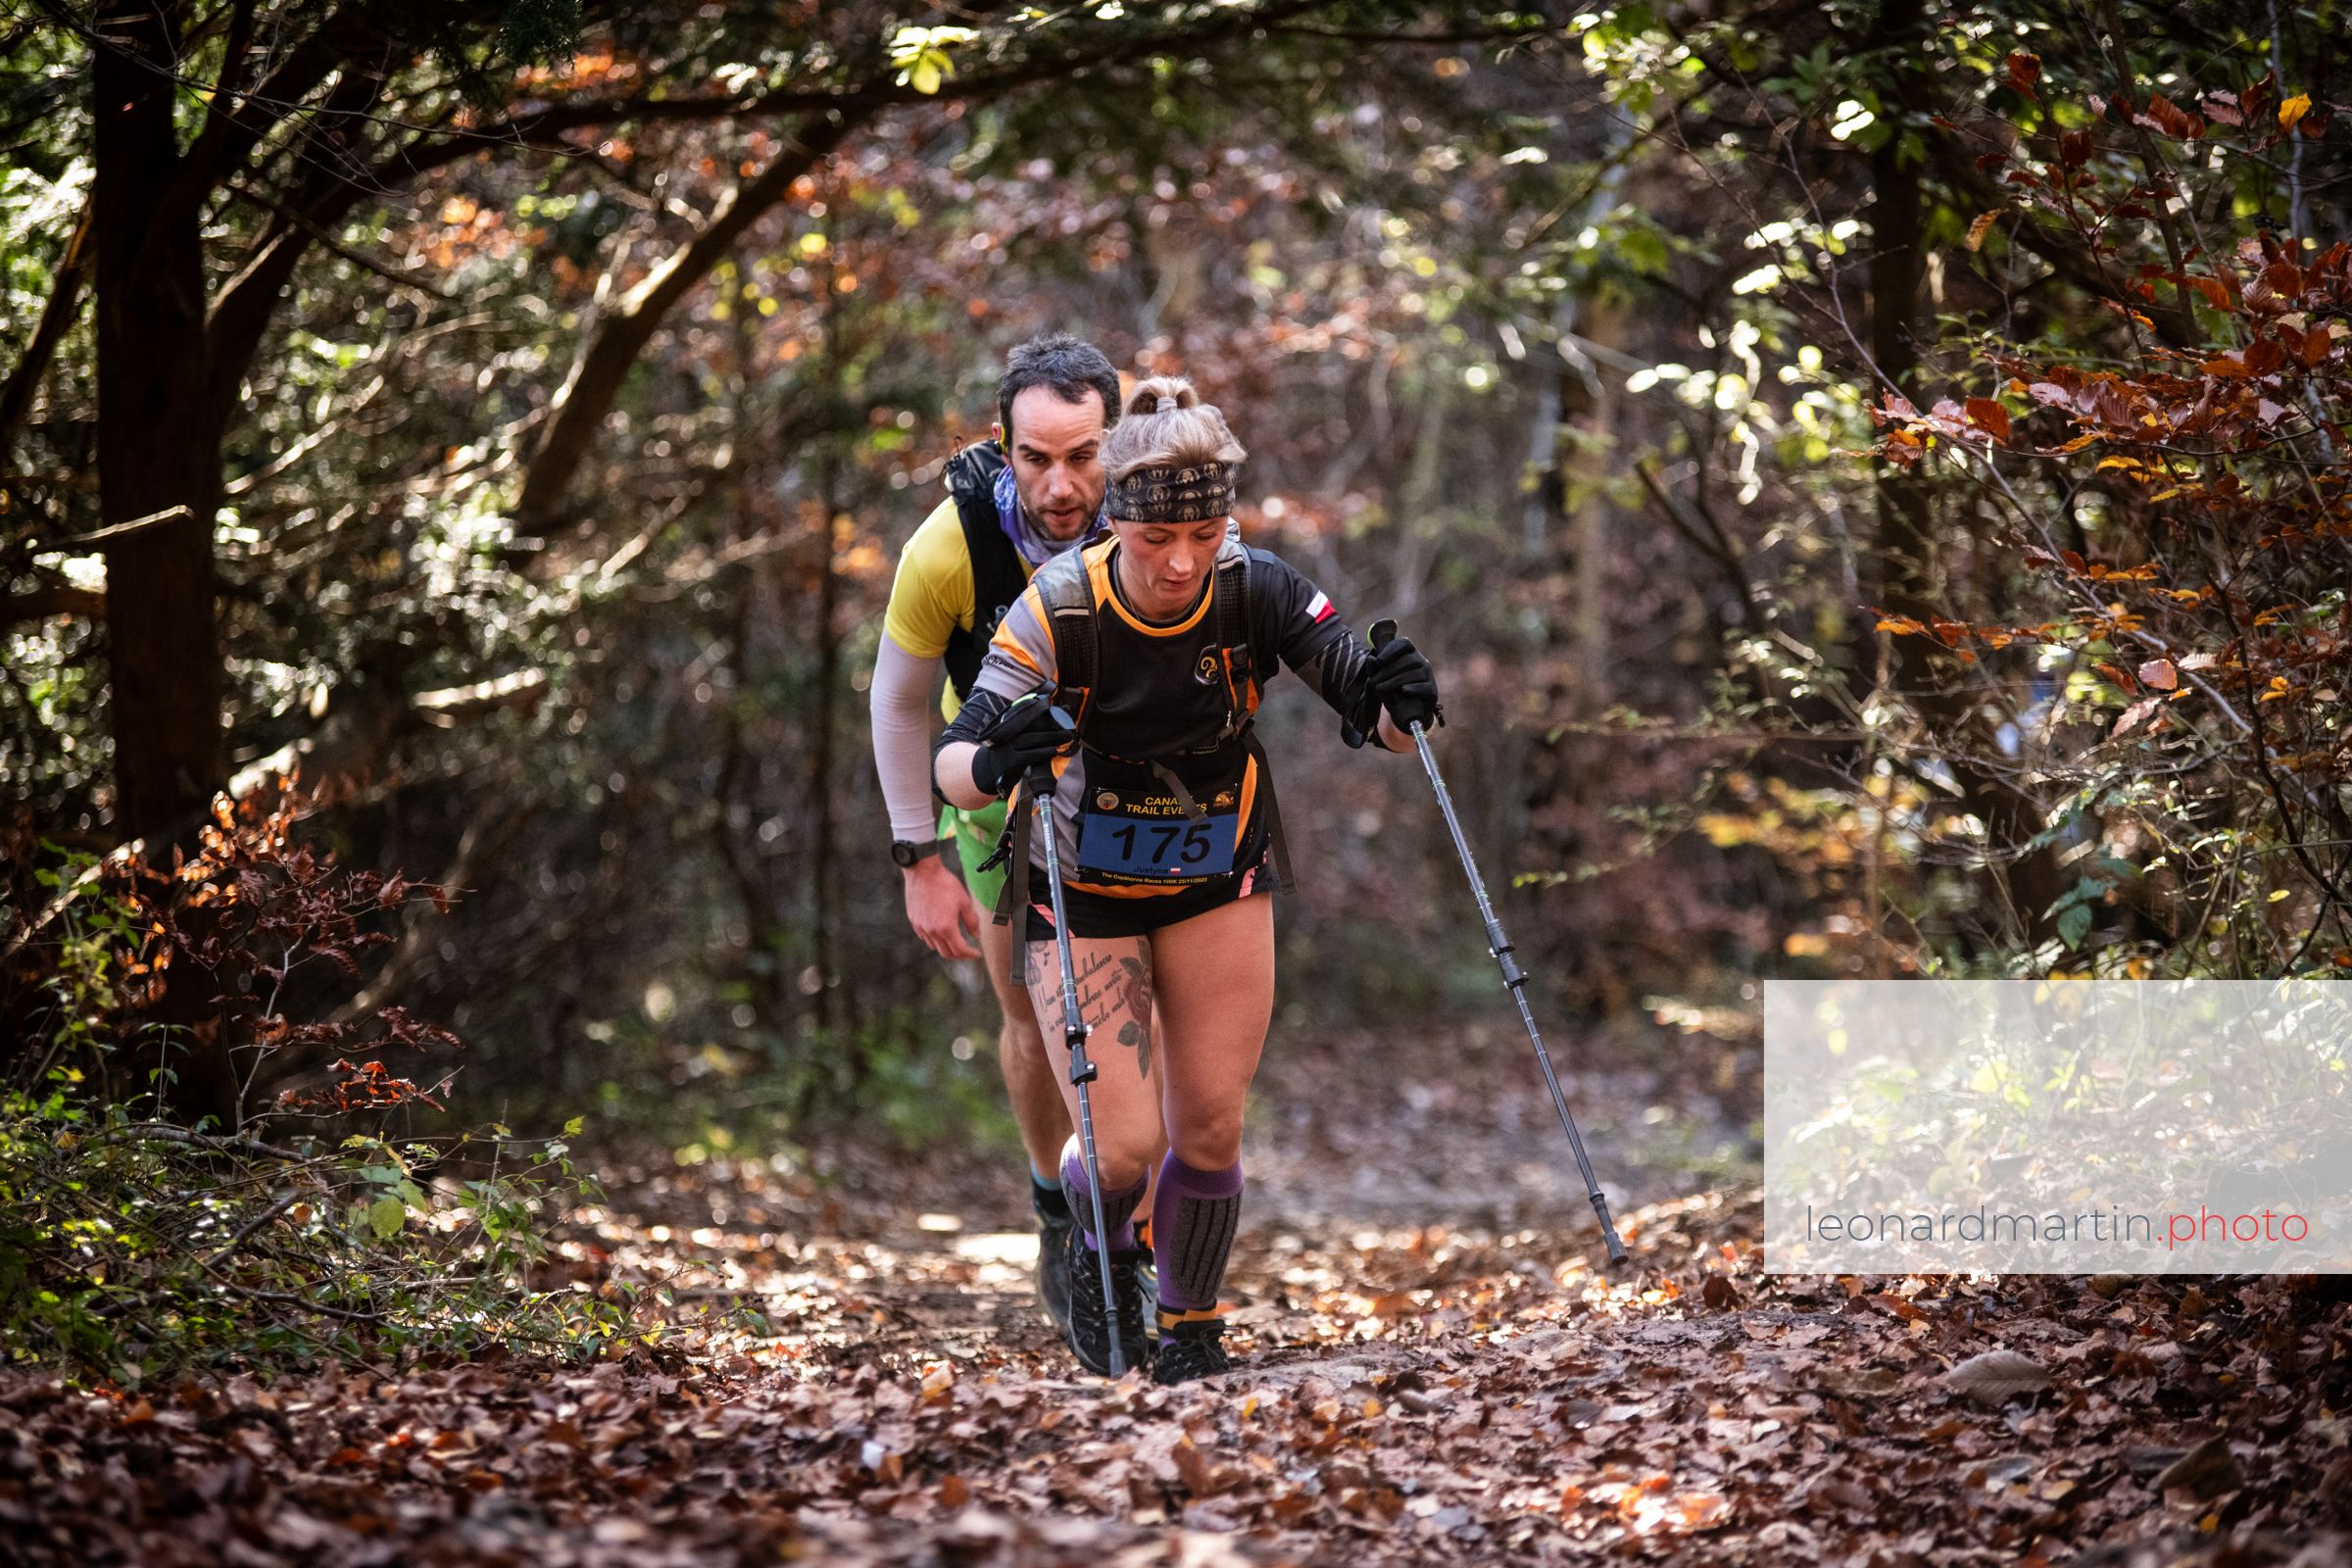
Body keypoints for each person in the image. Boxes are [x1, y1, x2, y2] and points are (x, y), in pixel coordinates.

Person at [932, 376, 1442, 1383]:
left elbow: (1372, 712)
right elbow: (953, 758)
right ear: (1115, 518)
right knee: (1120, 1147)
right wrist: (994, 763)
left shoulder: (1257, 589)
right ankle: (1099, 1246)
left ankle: (1192, 1327)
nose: (1181, 561)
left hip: (1217, 874)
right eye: (1158, 538)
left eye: (1205, 534)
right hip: (1083, 888)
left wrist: (1402, 700)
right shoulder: (1060, 605)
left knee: (1208, 1124)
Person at [868, 333, 1165, 1333]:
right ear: (1003, 447)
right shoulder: (949, 546)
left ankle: (1131, 1240)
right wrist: (918, 857)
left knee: (1148, 1023)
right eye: (1036, 458)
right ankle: (1055, 1202)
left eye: (1084, 456)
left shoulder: (1157, 514)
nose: (1061, 485)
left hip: (1139, 801)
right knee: (1035, 1023)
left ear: (1116, 444)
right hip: (1004, 809)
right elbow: (899, 700)